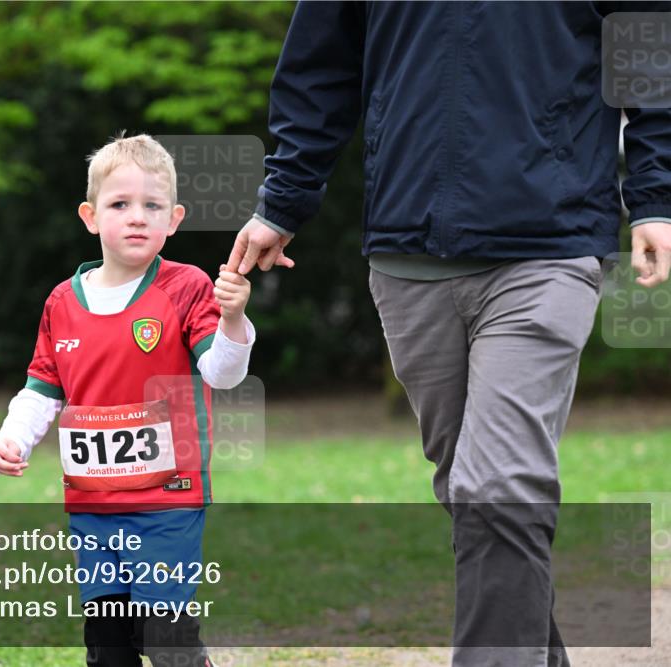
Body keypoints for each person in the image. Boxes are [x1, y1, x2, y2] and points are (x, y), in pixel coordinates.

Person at [226, 3, 671, 667]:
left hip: (547, 245)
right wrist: (284, 197)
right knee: (472, 492)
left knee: (498, 483)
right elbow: (320, 67)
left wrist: (657, 198)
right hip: (408, 255)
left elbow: (648, 49)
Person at [0, 133, 255, 667]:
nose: (137, 217)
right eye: (120, 204)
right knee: (108, 649)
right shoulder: (62, 302)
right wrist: (11, 436)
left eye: (152, 206)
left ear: (174, 219)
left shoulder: (186, 287)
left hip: (168, 502)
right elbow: (43, 387)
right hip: (92, 505)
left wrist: (232, 318)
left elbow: (222, 375)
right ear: (90, 216)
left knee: (165, 639)